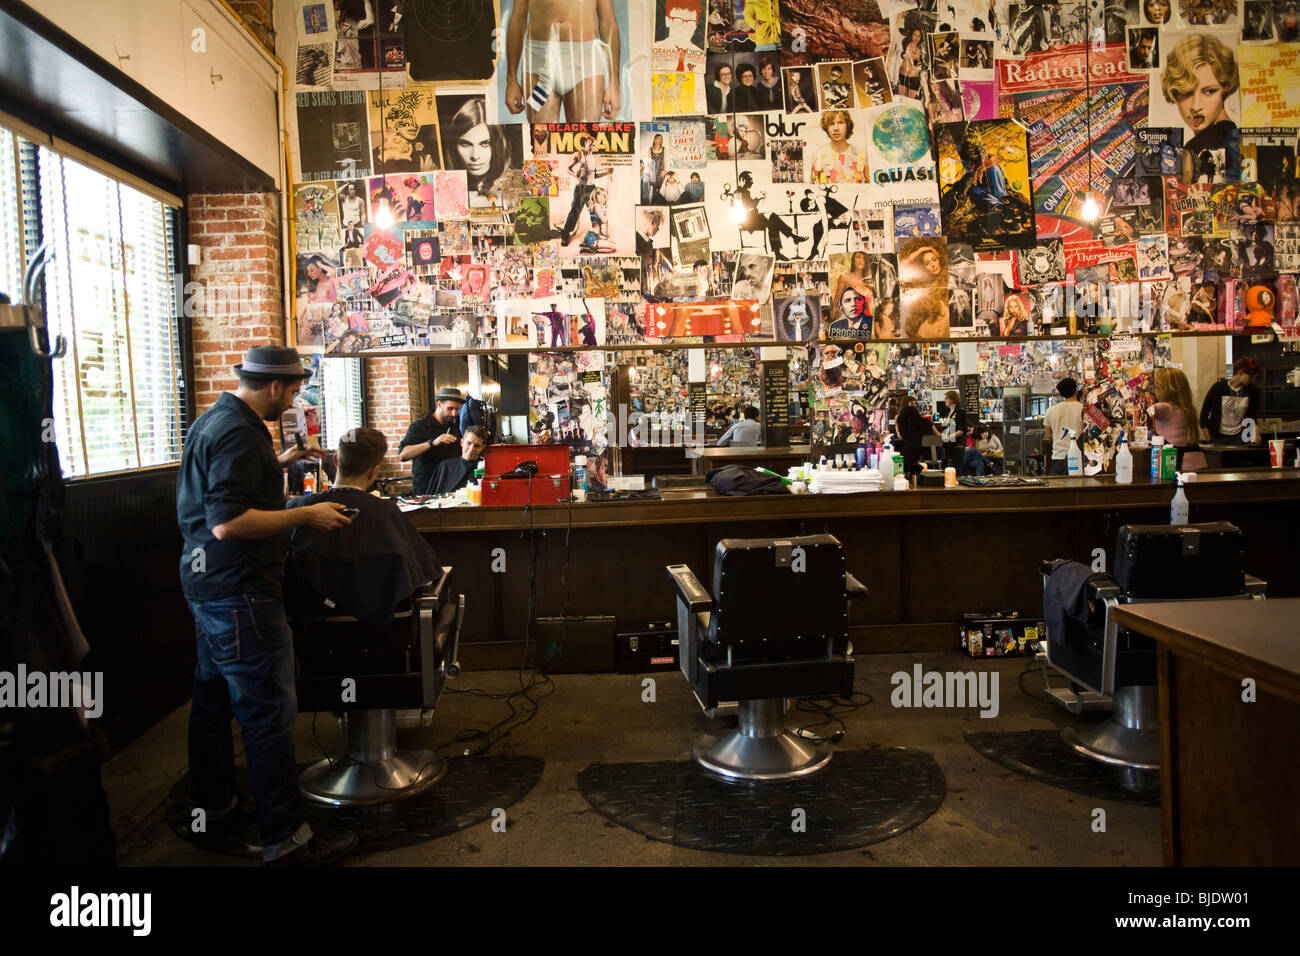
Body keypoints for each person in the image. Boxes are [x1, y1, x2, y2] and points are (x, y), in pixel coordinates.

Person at [177, 345, 356, 866]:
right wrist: (306, 516)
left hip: (205, 585)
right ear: (275, 387)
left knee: (211, 700)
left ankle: (211, 805)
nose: (294, 397)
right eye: (295, 389)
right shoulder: (238, 431)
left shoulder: (216, 419)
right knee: (266, 714)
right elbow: (228, 522)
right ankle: (288, 839)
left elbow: (223, 497)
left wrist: (279, 463)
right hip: (239, 591)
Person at [285, 427, 443, 625]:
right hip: (377, 635)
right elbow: (424, 573)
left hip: (307, 634)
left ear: (335, 461)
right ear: (375, 471)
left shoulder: (295, 510)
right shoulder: (385, 512)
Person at [504, 0, 622, 123]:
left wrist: (614, 83)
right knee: (542, 138)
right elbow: (518, 18)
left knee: (584, 138)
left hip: (586, 61)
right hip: (539, 61)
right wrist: (511, 79)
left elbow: (608, 22)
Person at [1163, 34, 1240, 182]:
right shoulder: (1233, 135)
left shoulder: (1195, 148)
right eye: (1186, 93)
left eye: (1209, 91)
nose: (1196, 107)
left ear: (1225, 88)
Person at [399, 387, 465, 495]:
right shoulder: (420, 426)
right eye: (450, 408)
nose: (454, 414)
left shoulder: (453, 426)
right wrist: (432, 443)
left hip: (449, 486)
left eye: (457, 410)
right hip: (426, 489)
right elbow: (403, 455)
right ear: (439, 404)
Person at [443, 99, 511, 196]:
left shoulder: (516, 184)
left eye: (485, 144)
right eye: (465, 144)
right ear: (454, 146)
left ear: (498, 145)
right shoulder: (445, 186)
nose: (475, 156)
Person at [1199, 356, 1261, 444]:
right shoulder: (1219, 388)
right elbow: (1203, 415)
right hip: (1218, 437)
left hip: (1241, 437)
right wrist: (1209, 439)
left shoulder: (1253, 391)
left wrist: (1255, 433)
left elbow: (1252, 416)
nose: (1253, 379)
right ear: (1241, 373)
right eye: (1251, 376)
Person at [1150, 367, 1202, 460]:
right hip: (1192, 455)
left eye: (1156, 387)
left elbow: (1143, 412)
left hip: (1174, 458)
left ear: (1163, 389)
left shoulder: (1165, 407)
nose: (1154, 390)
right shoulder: (1187, 409)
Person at [424, 425, 489, 495]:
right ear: (462, 442)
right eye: (469, 443)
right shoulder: (445, 467)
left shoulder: (486, 467)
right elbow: (431, 498)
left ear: (482, 448)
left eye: (476, 446)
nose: (471, 449)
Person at [810, 110, 867, 185]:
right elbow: (813, 185)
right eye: (831, 124)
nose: (836, 128)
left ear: (847, 125)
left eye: (840, 123)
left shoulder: (860, 155)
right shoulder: (818, 154)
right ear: (826, 127)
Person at [1044, 376, 1085, 475]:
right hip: (1079, 457)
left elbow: (1049, 435)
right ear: (1076, 391)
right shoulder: (1084, 409)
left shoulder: (1051, 410)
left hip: (1058, 457)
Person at [894, 394, 928, 477]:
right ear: (906, 403)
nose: (914, 405)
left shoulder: (900, 417)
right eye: (912, 403)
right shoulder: (902, 417)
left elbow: (900, 435)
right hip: (916, 445)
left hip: (911, 445)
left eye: (915, 403)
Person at [934, 389, 967, 469]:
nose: (945, 400)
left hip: (958, 443)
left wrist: (950, 436)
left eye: (946, 398)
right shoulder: (948, 412)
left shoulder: (960, 411)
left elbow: (962, 430)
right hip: (949, 444)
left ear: (952, 399)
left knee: (958, 466)